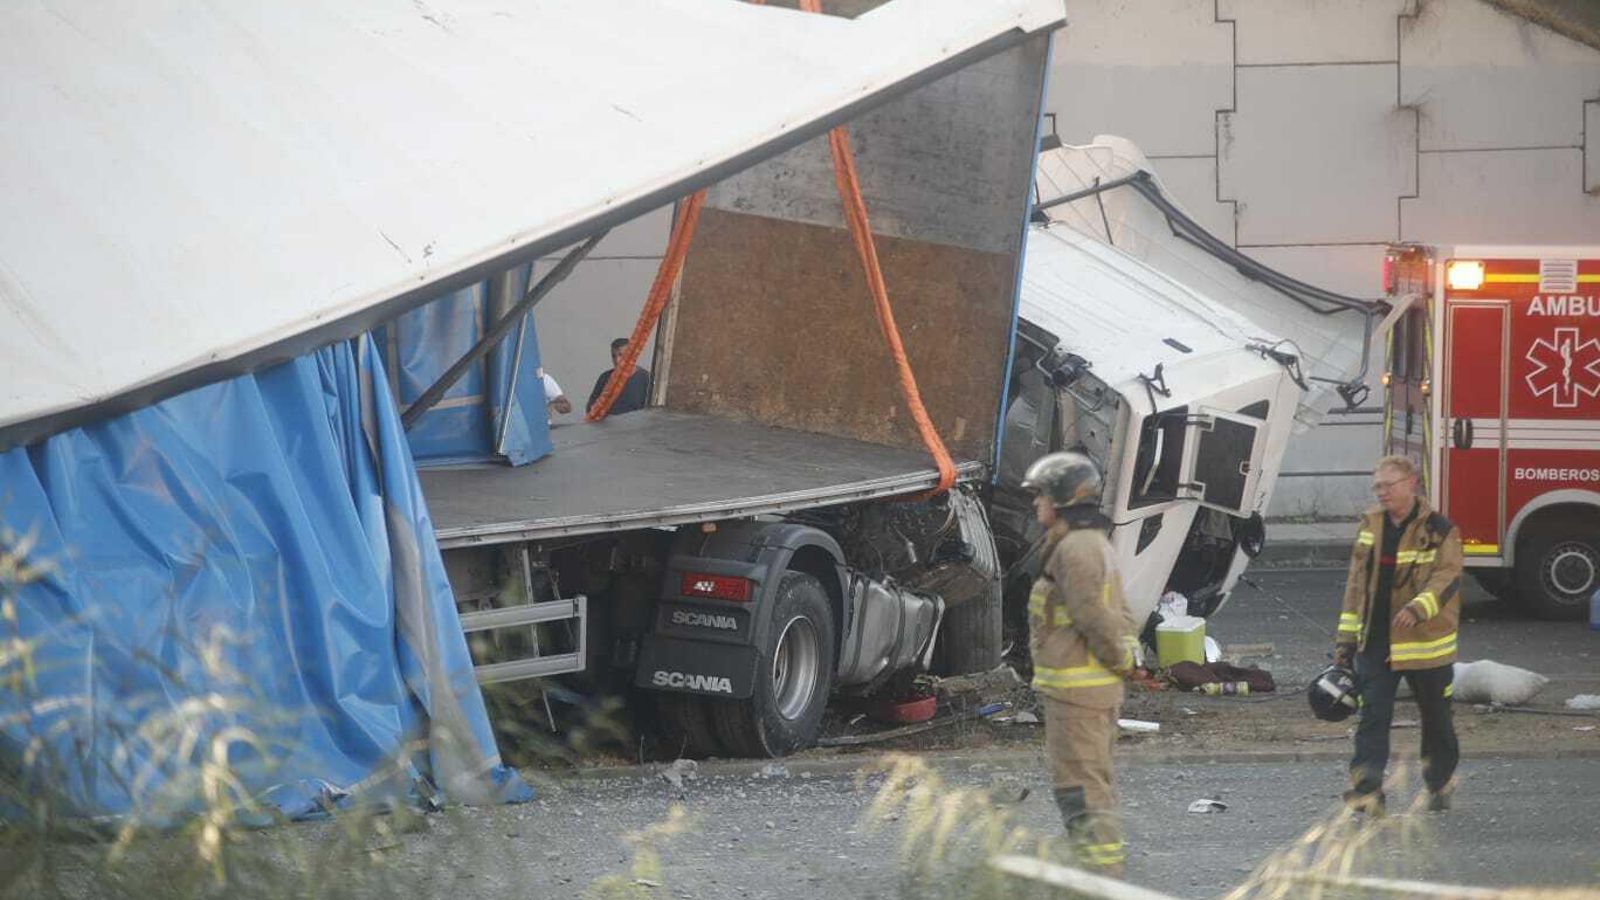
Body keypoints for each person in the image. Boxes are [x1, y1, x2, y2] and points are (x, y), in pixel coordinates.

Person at [1021, 451, 1139, 875]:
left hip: (1078, 697)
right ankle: (1100, 876)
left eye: (1041, 496)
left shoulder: (1076, 549)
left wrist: (1123, 660)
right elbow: (1120, 614)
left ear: (1064, 500)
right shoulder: (1085, 543)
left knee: (1081, 792)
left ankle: (1101, 881)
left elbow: (1097, 618)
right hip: (1083, 694)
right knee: (1090, 789)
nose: (1036, 505)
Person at [1335, 454, 1463, 815]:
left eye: (1388, 485)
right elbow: (1356, 584)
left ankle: (1439, 782)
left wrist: (1417, 608)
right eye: (1377, 486)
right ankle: (1367, 791)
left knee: (1436, 718)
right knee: (1372, 716)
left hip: (1425, 642)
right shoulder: (1371, 525)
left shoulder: (1439, 528)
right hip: (1376, 642)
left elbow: (1448, 576)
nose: (1381, 492)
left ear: (1411, 484)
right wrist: (1345, 642)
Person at [586, 337, 651, 417]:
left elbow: (651, 410)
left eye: (621, 355)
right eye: (614, 356)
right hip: (608, 427)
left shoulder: (645, 378)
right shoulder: (605, 378)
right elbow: (590, 407)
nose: (617, 360)